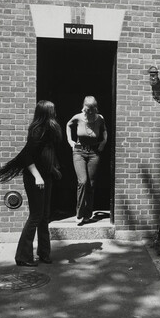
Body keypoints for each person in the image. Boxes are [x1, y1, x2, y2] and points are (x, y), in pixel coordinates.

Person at [0, 100, 65, 267]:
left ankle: (44, 253)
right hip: (36, 179)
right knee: (36, 216)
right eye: (53, 110)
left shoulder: (48, 130)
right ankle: (23, 256)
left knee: (44, 216)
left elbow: (46, 153)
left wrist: (52, 169)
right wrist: (37, 176)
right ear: (46, 112)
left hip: (45, 177)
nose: (55, 112)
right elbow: (27, 156)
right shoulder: (38, 130)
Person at [66, 96, 108, 225]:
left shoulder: (100, 118)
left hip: (94, 153)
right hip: (79, 152)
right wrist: (70, 141)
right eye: (87, 109)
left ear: (95, 108)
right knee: (83, 182)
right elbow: (68, 124)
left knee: (91, 184)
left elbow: (104, 131)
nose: (89, 112)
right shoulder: (78, 117)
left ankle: (88, 214)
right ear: (84, 107)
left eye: (92, 109)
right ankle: (79, 213)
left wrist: (103, 142)